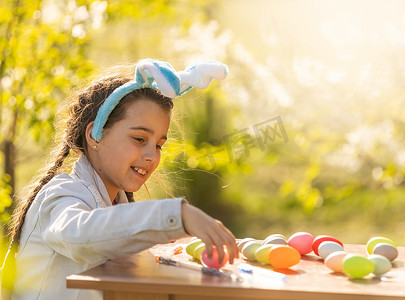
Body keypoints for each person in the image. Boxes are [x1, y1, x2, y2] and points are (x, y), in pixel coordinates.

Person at [2, 59, 238, 299]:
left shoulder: (118, 204)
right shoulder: (61, 195)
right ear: (95, 136)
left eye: (158, 145)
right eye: (139, 139)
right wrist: (177, 215)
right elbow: (81, 235)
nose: (151, 156)